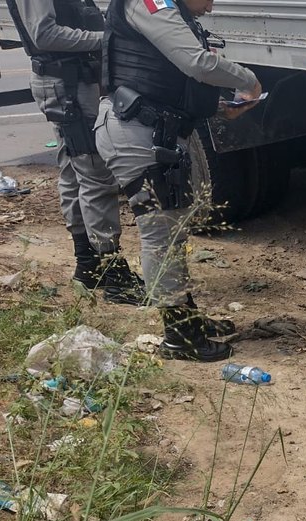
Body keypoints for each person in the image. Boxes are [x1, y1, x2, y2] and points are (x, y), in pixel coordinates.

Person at [95, 0, 262, 361]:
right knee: (161, 236)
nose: (212, 5)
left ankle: (189, 320)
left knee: (172, 231)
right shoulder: (148, 2)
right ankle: (181, 337)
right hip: (135, 134)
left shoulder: (168, 10)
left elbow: (164, 79)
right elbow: (196, 63)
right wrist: (247, 79)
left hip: (151, 131)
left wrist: (219, 107)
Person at [5, 0, 146, 305]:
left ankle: (88, 263)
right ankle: (113, 274)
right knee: (95, 173)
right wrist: (106, 39)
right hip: (66, 86)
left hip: (71, 81)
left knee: (74, 169)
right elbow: (45, 34)